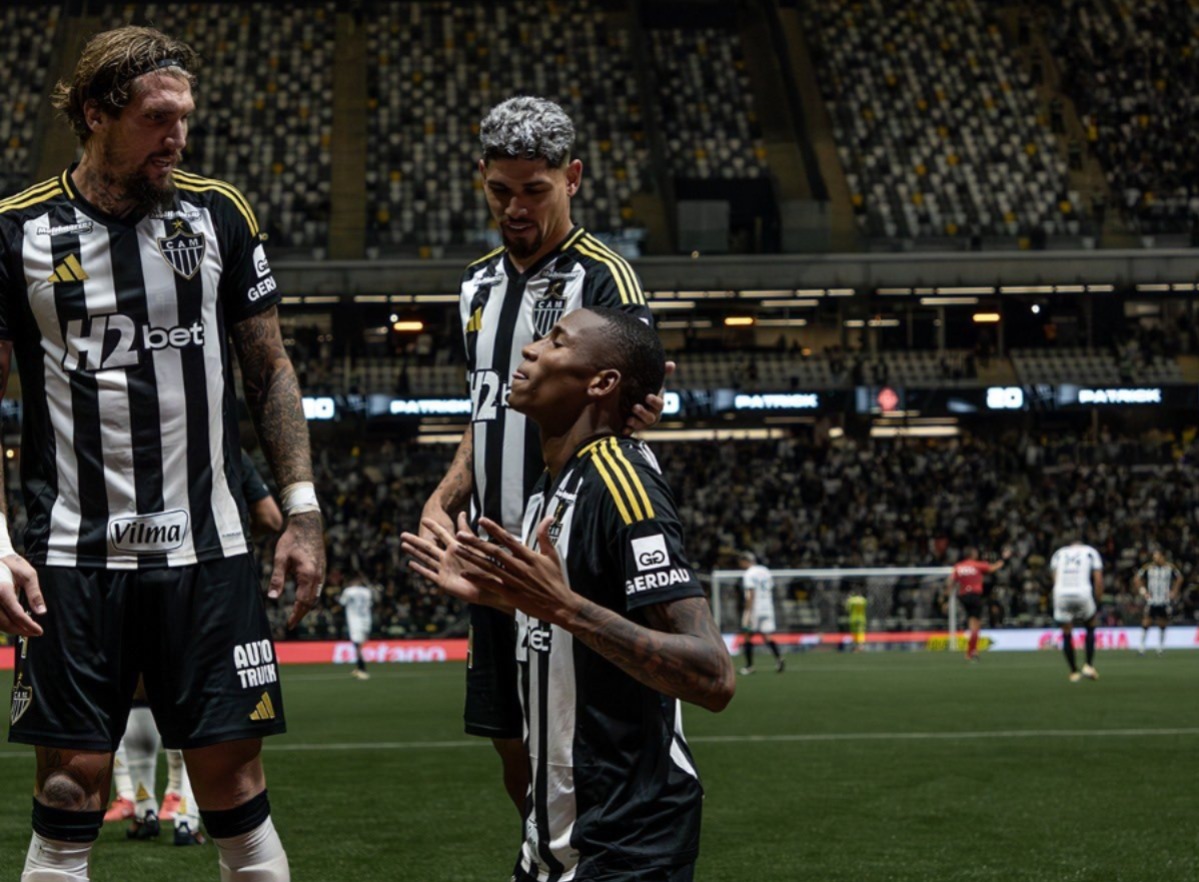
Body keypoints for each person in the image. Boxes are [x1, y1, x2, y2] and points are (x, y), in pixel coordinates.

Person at [0, 27, 325, 881]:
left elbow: (270, 370)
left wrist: (301, 511)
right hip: (71, 559)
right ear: (97, 115)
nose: (178, 138)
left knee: (232, 783)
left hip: (209, 551)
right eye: (157, 119)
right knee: (72, 789)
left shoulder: (218, 214)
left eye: (185, 118)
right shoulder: (17, 232)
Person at [403, 307, 734, 881]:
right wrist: (502, 597)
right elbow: (575, 617)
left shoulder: (622, 482)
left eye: (555, 341)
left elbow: (712, 675)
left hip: (629, 843)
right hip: (557, 836)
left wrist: (563, 607)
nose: (530, 349)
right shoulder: (551, 485)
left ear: (601, 382)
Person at [419, 95, 665, 812]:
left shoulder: (603, 280)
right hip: (494, 554)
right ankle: (542, 860)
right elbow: (486, 408)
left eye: (534, 190)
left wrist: (646, 407)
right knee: (514, 749)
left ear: (573, 178)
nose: (515, 208)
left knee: (577, 746)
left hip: (566, 556)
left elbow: (635, 401)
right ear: (481, 178)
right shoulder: (475, 285)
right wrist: (445, 496)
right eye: (500, 191)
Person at [104, 451, 284, 844]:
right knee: (197, 702)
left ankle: (146, 809)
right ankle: (186, 816)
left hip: (119, 576)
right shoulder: (217, 445)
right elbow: (271, 517)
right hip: (202, 575)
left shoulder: (117, 437)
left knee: (136, 689)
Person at [1048, 538, 1103, 682]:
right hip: (1082, 593)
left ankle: (1073, 672)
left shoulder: (1058, 553)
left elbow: (1055, 578)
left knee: (1067, 631)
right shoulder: (1091, 552)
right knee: (1090, 625)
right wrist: (1097, 600)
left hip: (1061, 593)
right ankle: (1088, 665)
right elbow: (1098, 579)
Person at [947, 546, 1009, 661]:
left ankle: (970, 651)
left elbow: (951, 580)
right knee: (975, 625)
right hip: (975, 596)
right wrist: (1004, 558)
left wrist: (947, 595)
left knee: (971, 621)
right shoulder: (977, 565)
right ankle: (972, 651)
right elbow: (994, 568)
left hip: (963, 596)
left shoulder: (958, 566)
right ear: (972, 554)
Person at [737, 550, 784, 674]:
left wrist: (747, 612)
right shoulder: (765, 570)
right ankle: (779, 659)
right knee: (767, 636)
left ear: (745, 561)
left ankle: (749, 666)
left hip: (755, 608)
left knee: (747, 635)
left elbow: (750, 594)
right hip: (767, 607)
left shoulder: (748, 574)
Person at [1134, 548, 1181, 655]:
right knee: (1146, 622)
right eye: (1154, 557)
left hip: (1164, 600)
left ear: (1162, 557)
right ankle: (1142, 646)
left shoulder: (1170, 567)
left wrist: (1174, 591)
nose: (1155, 559)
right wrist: (1143, 591)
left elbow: (1179, 578)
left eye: (1157, 556)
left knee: (1162, 623)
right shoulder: (1148, 567)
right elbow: (1137, 578)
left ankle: (1160, 647)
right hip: (1152, 600)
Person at [339, 572, 375, 680]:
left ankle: (362, 670)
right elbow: (370, 604)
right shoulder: (367, 591)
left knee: (357, 645)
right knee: (360, 645)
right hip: (367, 620)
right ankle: (358, 667)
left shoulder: (348, 591)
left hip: (355, 621)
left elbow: (342, 602)